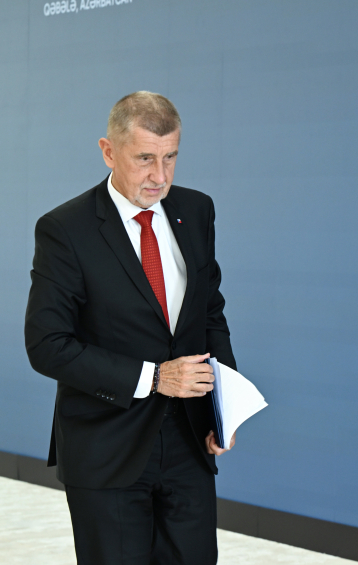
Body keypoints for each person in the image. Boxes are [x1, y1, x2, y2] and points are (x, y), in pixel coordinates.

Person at [25, 91, 237, 565]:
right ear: (108, 151)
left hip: (189, 442)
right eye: (145, 159)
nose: (160, 176)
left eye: (170, 157)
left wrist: (223, 407)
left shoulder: (196, 210)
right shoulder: (65, 229)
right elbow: (47, 345)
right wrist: (155, 377)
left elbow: (209, 313)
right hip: (106, 446)